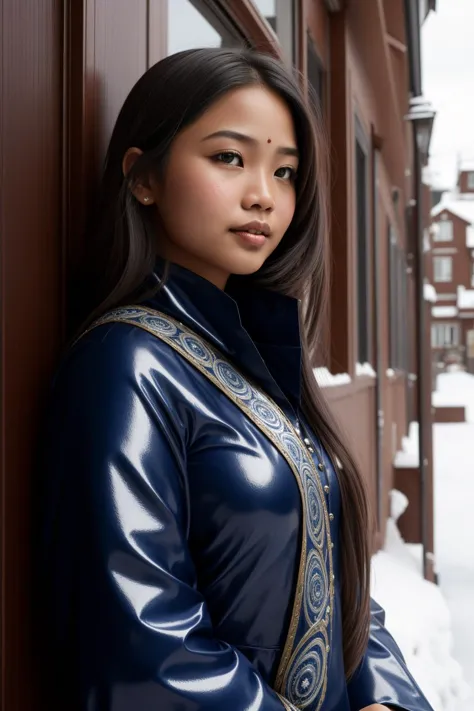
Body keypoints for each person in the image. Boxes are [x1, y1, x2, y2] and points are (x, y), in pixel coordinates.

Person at [40, 48, 434, 711]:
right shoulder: (127, 365)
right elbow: (144, 645)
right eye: (230, 157)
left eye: (284, 171)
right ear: (143, 177)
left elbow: (332, 584)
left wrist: (385, 698)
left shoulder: (253, 355)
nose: (264, 195)